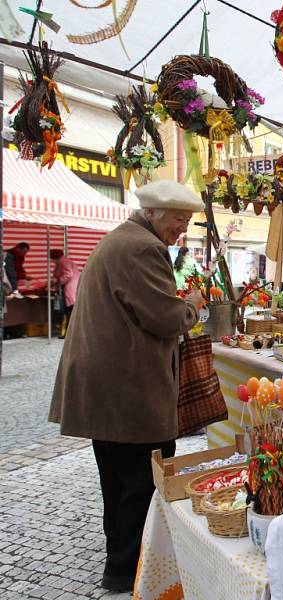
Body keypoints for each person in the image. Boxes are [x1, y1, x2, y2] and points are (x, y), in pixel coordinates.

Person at [49, 180, 205, 593]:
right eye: (178, 219)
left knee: (117, 481)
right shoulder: (143, 247)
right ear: (153, 213)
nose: (181, 229)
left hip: (109, 388)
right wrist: (194, 305)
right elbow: (165, 318)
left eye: (186, 221)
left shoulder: (121, 238)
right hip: (128, 391)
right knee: (140, 483)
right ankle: (130, 569)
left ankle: (119, 566)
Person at [50, 250, 79, 338]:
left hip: (70, 289)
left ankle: (68, 333)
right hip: (71, 288)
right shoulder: (64, 261)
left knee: (69, 311)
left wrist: (57, 281)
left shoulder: (62, 262)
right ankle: (68, 333)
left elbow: (68, 275)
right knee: (69, 312)